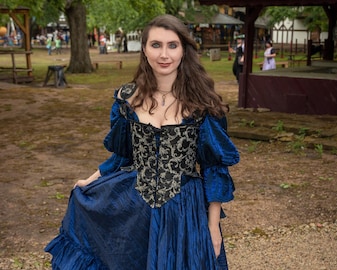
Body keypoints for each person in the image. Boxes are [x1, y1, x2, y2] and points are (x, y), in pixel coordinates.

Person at [44, 14, 239, 270]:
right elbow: (123, 156)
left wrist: (213, 227)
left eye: (172, 45)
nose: (164, 54)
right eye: (156, 45)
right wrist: (91, 180)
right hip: (136, 207)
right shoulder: (127, 99)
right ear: (144, 50)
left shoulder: (203, 104)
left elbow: (214, 169)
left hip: (184, 212)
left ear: (183, 51)